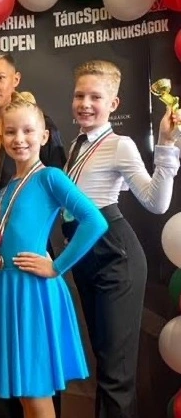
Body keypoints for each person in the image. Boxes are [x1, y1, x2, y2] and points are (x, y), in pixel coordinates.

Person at [0, 91, 108, 418]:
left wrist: (57, 266)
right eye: (10, 132)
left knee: (35, 393)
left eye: (28, 131)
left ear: (44, 136)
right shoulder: (6, 187)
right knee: (26, 397)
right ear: (1, 137)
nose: (19, 139)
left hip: (32, 292)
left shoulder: (50, 177)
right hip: (5, 288)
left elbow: (94, 221)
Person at [63, 60, 181, 418]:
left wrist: (166, 144)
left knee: (117, 373)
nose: (85, 103)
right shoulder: (76, 144)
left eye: (95, 97)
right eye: (79, 95)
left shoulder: (120, 144)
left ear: (113, 104)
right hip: (85, 254)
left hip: (115, 255)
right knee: (105, 362)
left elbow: (156, 203)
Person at [0, 48, 66, 418]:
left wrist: (53, 260)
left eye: (0, 77)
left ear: (15, 79)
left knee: (38, 374)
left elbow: (57, 195)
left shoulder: (44, 129)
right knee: (7, 368)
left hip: (33, 261)